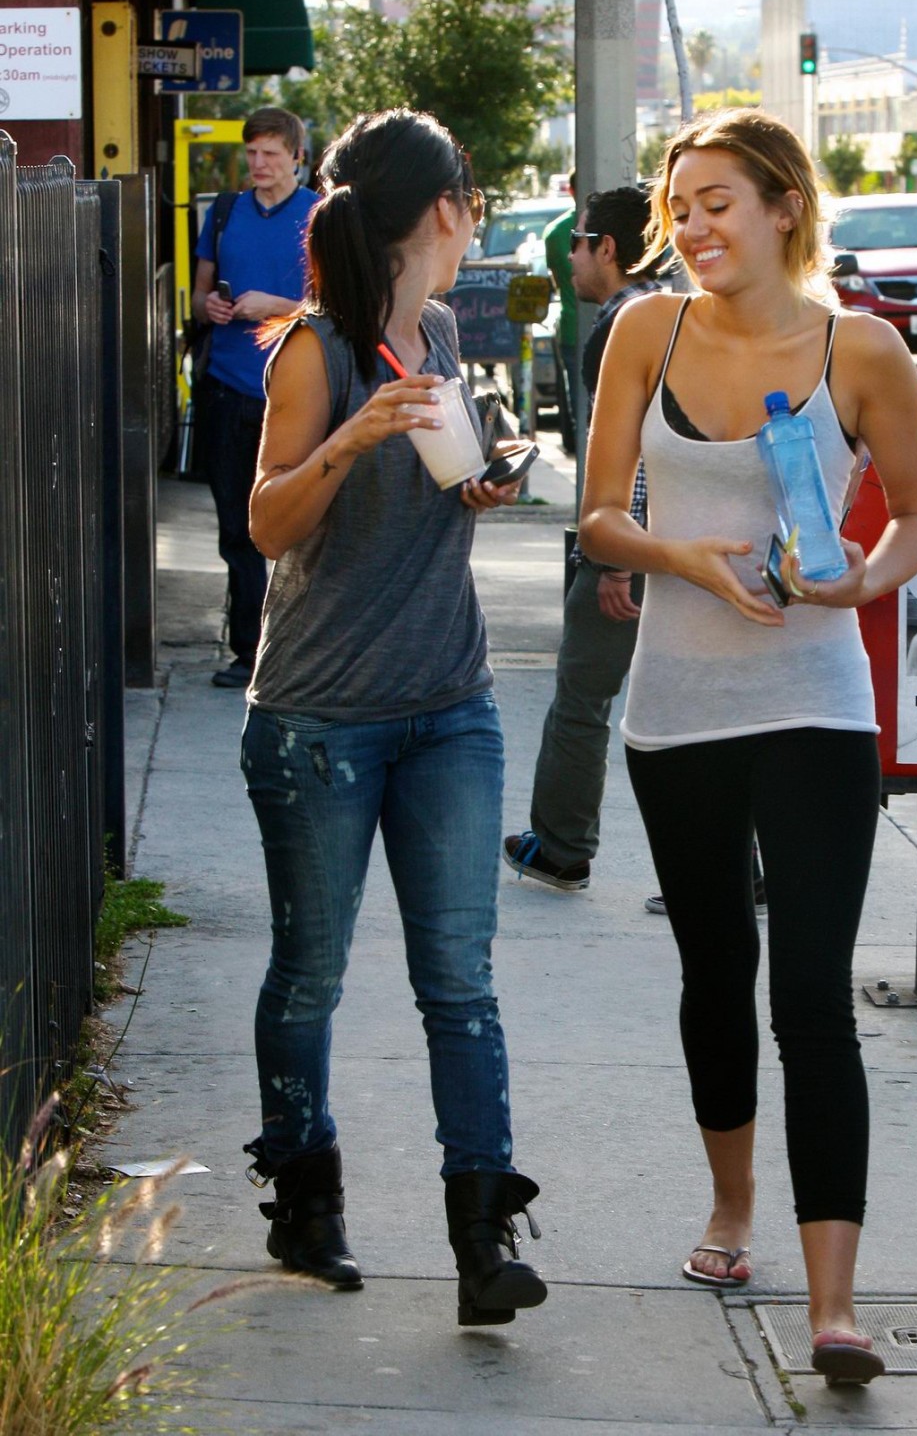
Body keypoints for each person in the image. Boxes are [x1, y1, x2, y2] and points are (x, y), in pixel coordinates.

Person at [578, 107, 917, 1387]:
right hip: (675, 716)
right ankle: (731, 1210)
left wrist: (855, 587)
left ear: (785, 204)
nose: (693, 229)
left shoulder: (862, 349)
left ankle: (835, 1306)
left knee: (810, 999)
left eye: (717, 202)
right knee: (716, 970)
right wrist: (679, 554)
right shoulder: (644, 329)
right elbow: (598, 518)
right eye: (680, 209)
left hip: (817, 708)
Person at [238, 106, 547, 1329]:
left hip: (449, 707)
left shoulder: (434, 330)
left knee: (458, 980)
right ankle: (306, 1206)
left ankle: (485, 1236)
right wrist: (352, 437)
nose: (472, 222)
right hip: (322, 720)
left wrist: (479, 481)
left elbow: (432, 496)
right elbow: (269, 524)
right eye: (468, 201)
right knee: (310, 974)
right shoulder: (316, 351)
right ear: (440, 211)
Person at [503, 186, 663, 890]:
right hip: (692, 540)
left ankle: (562, 846)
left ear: (607, 249)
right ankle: (737, 867)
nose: (569, 254)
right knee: (702, 706)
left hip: (632, 543)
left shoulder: (623, 325)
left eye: (579, 241)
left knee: (582, 698)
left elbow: (628, 456)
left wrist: (610, 559)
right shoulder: (685, 312)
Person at [191, 107, 319, 689]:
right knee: (236, 528)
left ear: (297, 156)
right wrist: (209, 307)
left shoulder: (321, 215)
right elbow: (198, 294)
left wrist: (277, 307)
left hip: (298, 388)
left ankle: (301, 645)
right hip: (227, 387)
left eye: (271, 154)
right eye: (252, 155)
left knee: (302, 523)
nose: (259, 165)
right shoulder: (224, 212)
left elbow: (335, 307)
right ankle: (250, 650)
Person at [542, 176, 578, 452]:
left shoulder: (556, 233)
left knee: (581, 410)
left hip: (572, 328)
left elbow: (558, 280)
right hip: (576, 327)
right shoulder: (557, 233)